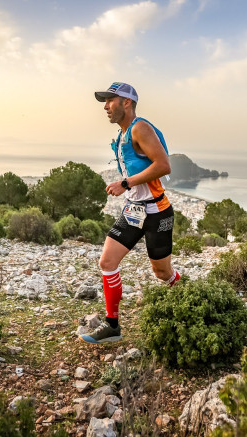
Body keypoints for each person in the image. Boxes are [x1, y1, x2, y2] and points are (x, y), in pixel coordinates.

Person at [80, 82, 179, 344]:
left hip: (157, 212)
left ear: (126, 102)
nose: (105, 106)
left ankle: (190, 299)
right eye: (104, 101)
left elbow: (164, 165)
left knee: (162, 273)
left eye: (110, 101)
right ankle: (112, 326)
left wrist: (125, 183)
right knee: (107, 263)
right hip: (133, 211)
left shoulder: (139, 127)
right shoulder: (123, 134)